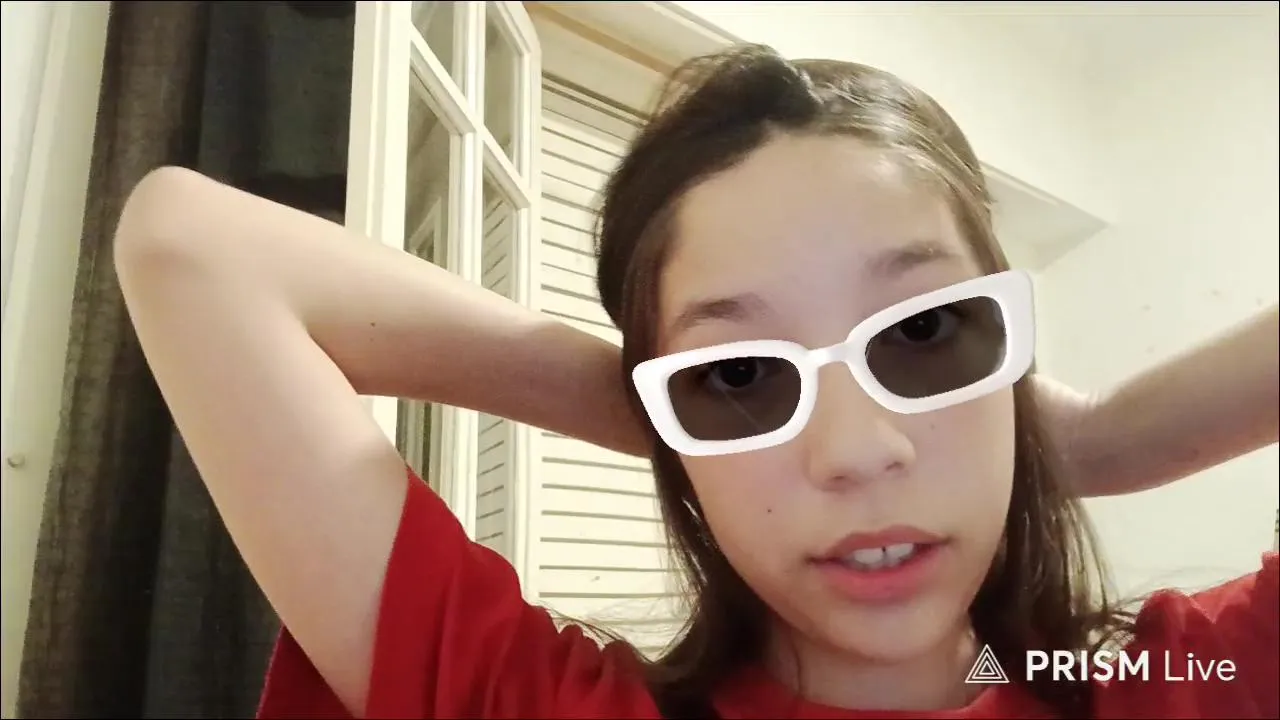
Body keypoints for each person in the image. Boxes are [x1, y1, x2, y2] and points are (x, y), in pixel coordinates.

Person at [113, 44, 1278, 719]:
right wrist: (681, 409)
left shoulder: (1184, 687)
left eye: (925, 334)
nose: (855, 450)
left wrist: (1110, 440)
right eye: (739, 372)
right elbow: (190, 248)